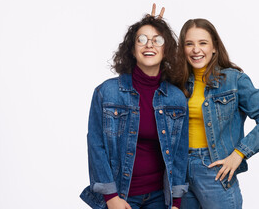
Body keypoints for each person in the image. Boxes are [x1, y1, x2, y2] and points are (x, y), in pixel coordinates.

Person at [80, 12, 189, 209]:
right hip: (121, 196)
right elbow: (96, 145)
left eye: (158, 40)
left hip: (160, 198)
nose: (149, 45)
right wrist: (111, 196)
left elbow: (180, 152)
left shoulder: (176, 98)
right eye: (142, 39)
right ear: (132, 49)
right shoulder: (107, 92)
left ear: (166, 50)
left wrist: (176, 201)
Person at [176, 18, 259, 208]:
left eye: (203, 43)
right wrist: (153, 33)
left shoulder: (233, 80)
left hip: (214, 169)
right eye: (189, 44)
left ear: (214, 47)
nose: (195, 49)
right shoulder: (176, 82)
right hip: (179, 171)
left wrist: (239, 154)